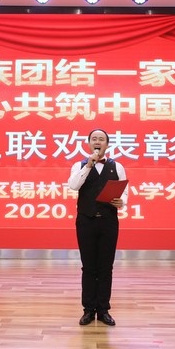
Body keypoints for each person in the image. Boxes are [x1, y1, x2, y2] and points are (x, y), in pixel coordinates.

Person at [67, 128, 127, 327]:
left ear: (107, 144)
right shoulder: (79, 165)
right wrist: (88, 165)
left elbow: (124, 191)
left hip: (108, 222)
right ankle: (88, 310)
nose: (97, 142)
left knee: (106, 267)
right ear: (89, 143)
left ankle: (103, 310)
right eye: (94, 139)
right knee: (88, 267)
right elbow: (73, 185)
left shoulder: (117, 166)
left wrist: (122, 202)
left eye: (101, 139)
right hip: (86, 221)